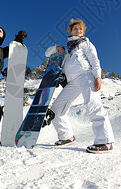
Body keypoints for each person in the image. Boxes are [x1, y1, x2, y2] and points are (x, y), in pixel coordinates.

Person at [46, 19, 114, 153]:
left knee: (93, 105)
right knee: (56, 109)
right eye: (75, 29)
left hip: (86, 75)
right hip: (72, 82)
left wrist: (97, 77)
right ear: (70, 31)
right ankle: (67, 137)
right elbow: (47, 53)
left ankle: (105, 141)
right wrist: (56, 48)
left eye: (80, 30)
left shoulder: (85, 44)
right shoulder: (66, 49)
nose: (78, 31)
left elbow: (94, 60)